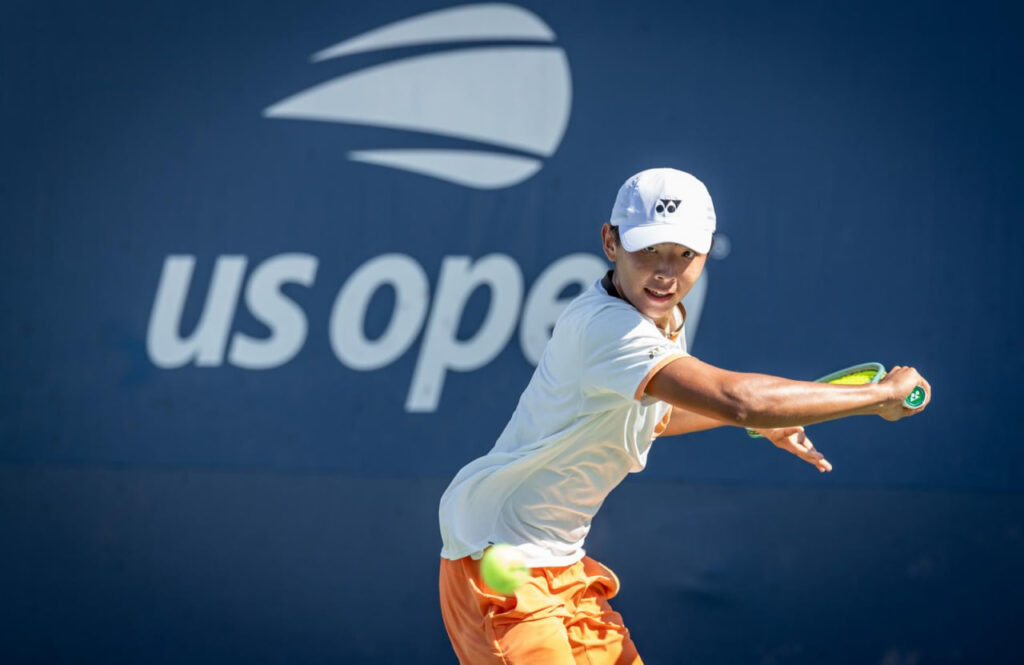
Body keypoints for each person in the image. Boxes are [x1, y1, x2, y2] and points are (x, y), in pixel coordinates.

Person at [437, 168, 931, 665]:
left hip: (562, 563)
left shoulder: (663, 318)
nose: (665, 272)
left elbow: (660, 416)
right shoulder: (607, 327)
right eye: (648, 250)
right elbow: (739, 399)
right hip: (498, 554)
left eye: (685, 254)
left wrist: (756, 420)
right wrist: (879, 395)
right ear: (610, 242)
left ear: (707, 252)